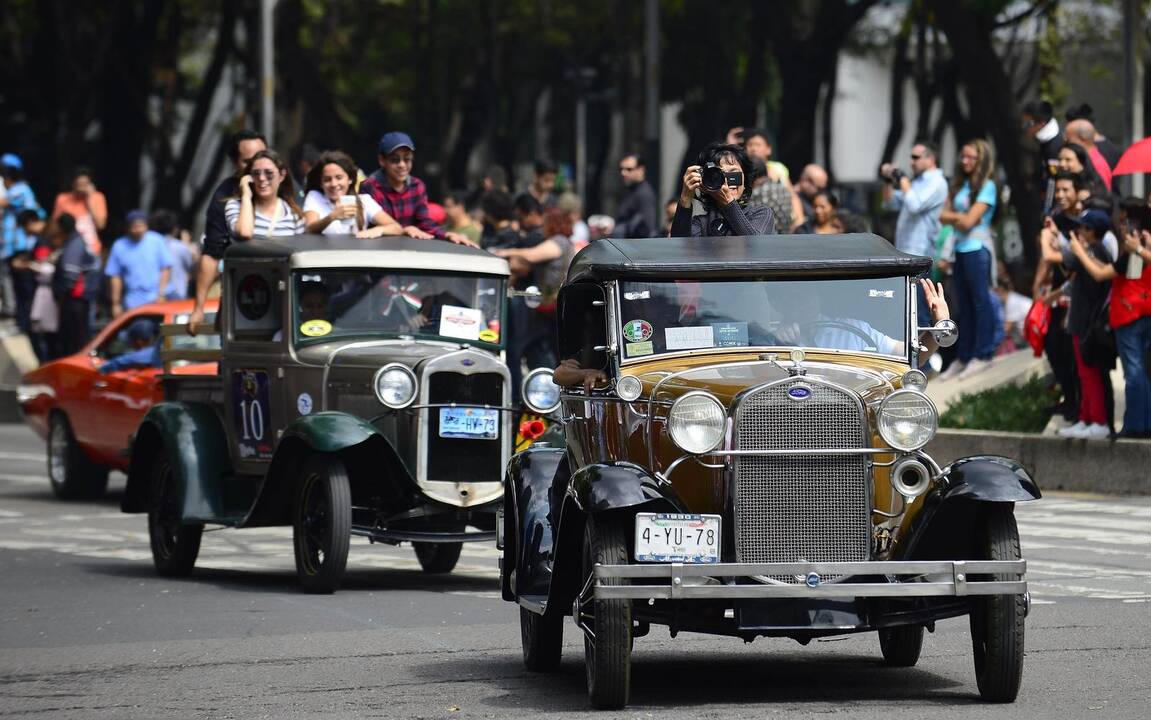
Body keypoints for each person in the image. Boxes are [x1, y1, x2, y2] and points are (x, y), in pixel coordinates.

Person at [1064, 204, 1151, 439]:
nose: (1122, 228)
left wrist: (1080, 252)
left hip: (1131, 316)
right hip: (1135, 314)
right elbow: (1124, 273)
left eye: (1126, 222)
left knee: (1134, 373)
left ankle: (1136, 424)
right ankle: (1141, 422)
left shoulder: (1137, 249)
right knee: (1138, 372)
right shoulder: (1134, 252)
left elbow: (1101, 274)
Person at [1040, 210, 1117, 439]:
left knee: (1091, 373)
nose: (1078, 233)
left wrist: (1047, 238)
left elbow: (1051, 256)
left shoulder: (1096, 251)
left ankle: (1099, 420)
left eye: (1082, 228)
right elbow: (1072, 277)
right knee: (1083, 375)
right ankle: (1086, 418)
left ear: (1091, 232)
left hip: (1088, 324)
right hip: (1079, 321)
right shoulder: (1088, 251)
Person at [189, 129, 268, 332]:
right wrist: (199, 307)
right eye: (247, 162)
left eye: (262, 158)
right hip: (243, 293)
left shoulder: (289, 193)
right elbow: (212, 252)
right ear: (235, 163)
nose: (257, 169)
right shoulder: (226, 199)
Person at [938, 139, 999, 381]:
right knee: (962, 306)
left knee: (980, 303)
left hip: (977, 247)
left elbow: (968, 221)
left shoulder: (988, 186)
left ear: (981, 160)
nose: (965, 161)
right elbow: (943, 217)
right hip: (960, 250)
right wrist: (959, 217)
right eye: (963, 156)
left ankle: (982, 354)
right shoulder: (960, 185)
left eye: (971, 157)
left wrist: (956, 217)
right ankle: (964, 356)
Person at [359, 131, 475, 246]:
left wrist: (447, 235)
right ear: (382, 160)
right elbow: (369, 226)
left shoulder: (417, 185)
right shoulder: (369, 186)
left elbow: (424, 222)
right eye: (395, 160)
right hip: (378, 249)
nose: (402, 165)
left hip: (410, 250)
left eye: (407, 159)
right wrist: (405, 230)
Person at [882, 141, 948, 327]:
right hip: (904, 254)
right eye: (911, 157)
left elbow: (914, 204)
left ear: (931, 159)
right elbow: (889, 203)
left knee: (919, 312)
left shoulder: (937, 182)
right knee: (905, 312)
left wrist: (902, 178)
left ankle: (923, 356)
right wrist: (888, 179)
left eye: (916, 157)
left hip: (920, 255)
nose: (911, 162)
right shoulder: (917, 182)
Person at [670, 142, 776, 237]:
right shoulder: (701, 223)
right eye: (719, 175)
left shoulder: (762, 213)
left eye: (733, 173)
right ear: (706, 182)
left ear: (745, 180)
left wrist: (728, 202)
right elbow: (680, 245)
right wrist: (686, 197)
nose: (726, 181)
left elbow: (755, 245)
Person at [302, 150, 403, 237]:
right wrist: (333, 216)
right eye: (327, 179)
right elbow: (309, 229)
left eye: (339, 177)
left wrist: (377, 230)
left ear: (349, 179)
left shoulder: (364, 201)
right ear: (321, 183)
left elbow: (396, 228)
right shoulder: (315, 197)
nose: (333, 184)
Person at [225, 150, 306, 240]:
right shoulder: (235, 205)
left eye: (269, 173)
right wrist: (246, 196)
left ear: (282, 175)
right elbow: (244, 232)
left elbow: (298, 250)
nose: (262, 178)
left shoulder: (294, 214)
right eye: (256, 173)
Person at [104, 210, 173, 316]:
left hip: (161, 297)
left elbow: (166, 268)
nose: (138, 230)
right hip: (135, 301)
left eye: (141, 226)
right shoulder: (119, 246)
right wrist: (116, 303)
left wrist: (161, 293)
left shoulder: (157, 240)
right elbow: (114, 276)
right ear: (128, 228)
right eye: (135, 226)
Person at [52, 213, 100, 356]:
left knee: (76, 339)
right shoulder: (74, 241)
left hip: (75, 299)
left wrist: (59, 292)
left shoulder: (75, 244)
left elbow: (70, 275)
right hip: (76, 298)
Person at [1, 154, 39, 319]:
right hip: (14, 246)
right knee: (17, 285)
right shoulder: (17, 190)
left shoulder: (21, 190)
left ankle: (23, 319)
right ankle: (20, 318)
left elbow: (3, 203)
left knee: (23, 286)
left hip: (22, 245)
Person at [741, 128, 801, 230]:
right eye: (750, 145)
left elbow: (792, 195)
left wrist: (799, 219)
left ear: (768, 149)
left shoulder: (778, 168)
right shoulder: (740, 168)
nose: (754, 148)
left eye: (758, 145)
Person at [49, 166, 106, 255]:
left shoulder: (97, 197)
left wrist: (90, 198)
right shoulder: (62, 199)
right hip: (68, 249)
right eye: (79, 184)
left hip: (91, 250)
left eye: (84, 184)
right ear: (73, 184)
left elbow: (101, 225)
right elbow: (54, 226)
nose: (81, 188)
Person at [1022, 100, 1063, 212]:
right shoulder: (1042, 140)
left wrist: (1047, 210)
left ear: (1042, 124)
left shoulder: (1054, 147)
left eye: (1028, 124)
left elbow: (1052, 180)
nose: (1024, 128)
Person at [149, 209, 198, 301]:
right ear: (174, 228)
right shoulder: (181, 248)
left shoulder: (147, 246)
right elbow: (194, 271)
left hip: (152, 297)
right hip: (177, 296)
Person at [614, 153, 659, 238]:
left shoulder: (644, 193)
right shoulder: (629, 190)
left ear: (641, 170)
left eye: (629, 169)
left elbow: (648, 227)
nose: (623, 173)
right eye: (621, 169)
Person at [98, 319, 162, 374]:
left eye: (131, 342)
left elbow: (122, 362)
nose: (130, 345)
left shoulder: (151, 354)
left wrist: (102, 367)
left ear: (139, 342)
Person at [1065, 119, 1113, 193]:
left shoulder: (1097, 164)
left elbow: (1102, 198)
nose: (1066, 144)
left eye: (1069, 140)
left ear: (1082, 139)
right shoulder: (1084, 159)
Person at [793, 163, 829, 230]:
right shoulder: (791, 199)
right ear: (807, 181)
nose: (820, 192)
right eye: (819, 188)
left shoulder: (810, 199)